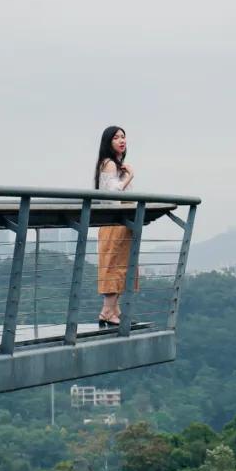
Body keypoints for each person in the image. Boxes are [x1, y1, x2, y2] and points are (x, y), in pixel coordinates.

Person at [94, 125, 136, 327]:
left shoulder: (117, 164)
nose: (122, 140)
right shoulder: (109, 164)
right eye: (116, 137)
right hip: (115, 221)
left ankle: (114, 310)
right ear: (108, 142)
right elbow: (112, 194)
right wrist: (129, 177)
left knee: (120, 266)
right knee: (114, 265)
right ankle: (107, 312)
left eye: (123, 137)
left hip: (121, 220)